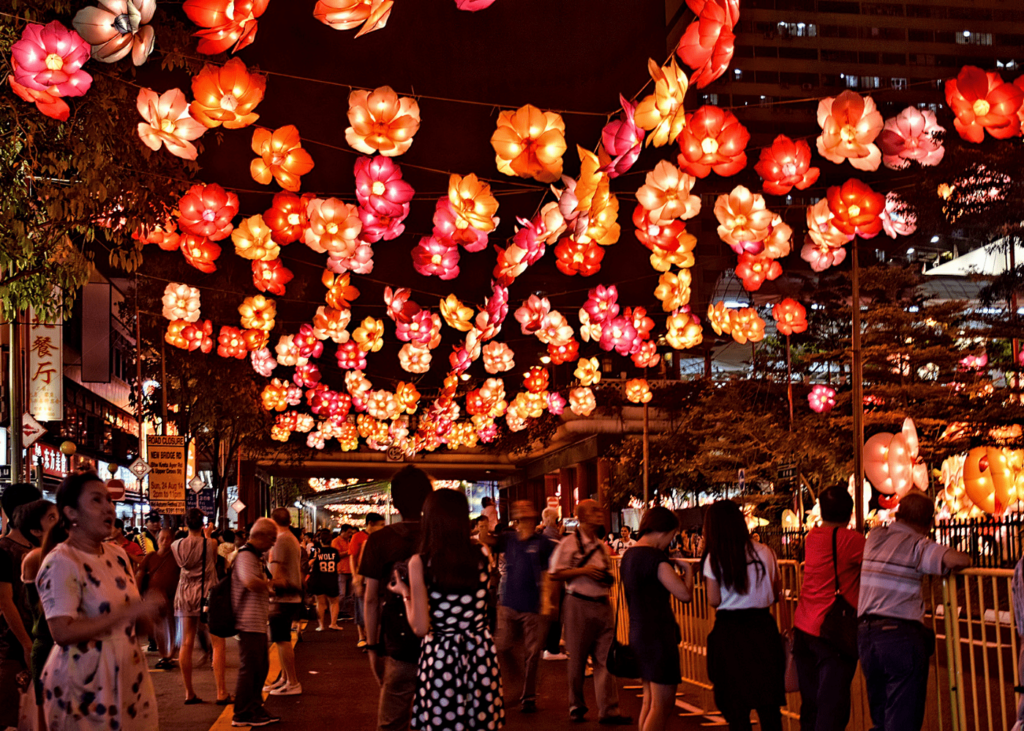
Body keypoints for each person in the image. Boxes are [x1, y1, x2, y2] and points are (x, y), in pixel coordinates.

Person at [36, 472, 161, 730]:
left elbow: (135, 625)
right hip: (84, 689)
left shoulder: (118, 555)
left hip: (127, 679)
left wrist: (149, 613)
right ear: (71, 513)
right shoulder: (61, 561)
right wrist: (125, 612)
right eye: (96, 500)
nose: (108, 508)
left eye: (109, 500)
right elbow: (62, 631)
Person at [857, 492, 971, 731]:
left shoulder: (875, 537)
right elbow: (957, 559)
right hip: (900, 635)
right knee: (902, 718)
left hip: (867, 635)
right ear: (929, 523)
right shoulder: (918, 546)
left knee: (882, 715)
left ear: (897, 515)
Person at [393, 488, 504, 731]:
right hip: (480, 651)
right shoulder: (483, 553)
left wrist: (405, 594)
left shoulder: (420, 562)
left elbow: (421, 627)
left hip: (442, 655)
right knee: (480, 721)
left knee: (443, 721)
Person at [359, 465, 433, 731]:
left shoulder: (379, 540)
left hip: (398, 646)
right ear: (429, 498)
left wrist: (372, 646)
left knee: (391, 724)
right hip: (441, 647)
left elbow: (370, 599)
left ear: (394, 502)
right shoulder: (443, 537)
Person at [703, 500, 785, 731]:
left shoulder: (715, 557)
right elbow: (775, 592)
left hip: (730, 633)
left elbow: (713, 600)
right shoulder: (765, 552)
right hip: (763, 629)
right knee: (768, 706)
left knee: (736, 707)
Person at [549, 499, 631, 725]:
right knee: (576, 658)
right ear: (582, 517)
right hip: (578, 604)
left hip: (602, 603)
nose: (599, 514)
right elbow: (554, 572)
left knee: (606, 659)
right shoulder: (568, 543)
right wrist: (583, 570)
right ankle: (576, 705)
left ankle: (609, 710)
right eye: (594, 511)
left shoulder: (601, 545)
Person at [792, 485, 866, 731]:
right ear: (850, 511)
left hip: (804, 625)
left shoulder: (812, 537)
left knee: (811, 704)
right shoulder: (851, 541)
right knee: (832, 707)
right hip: (832, 631)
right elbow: (880, 559)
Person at [621, 506, 694, 731]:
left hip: (638, 632)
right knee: (662, 705)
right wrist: (689, 573)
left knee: (649, 701)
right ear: (664, 532)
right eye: (672, 536)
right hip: (658, 637)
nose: (670, 542)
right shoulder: (655, 558)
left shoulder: (629, 555)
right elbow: (684, 594)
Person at [492, 500, 554, 713]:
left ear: (533, 514)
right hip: (508, 602)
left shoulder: (543, 542)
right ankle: (514, 684)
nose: (521, 509)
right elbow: (487, 544)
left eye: (526, 507)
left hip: (532, 605)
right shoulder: (509, 539)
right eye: (518, 507)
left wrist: (546, 602)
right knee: (503, 646)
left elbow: (547, 574)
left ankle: (528, 696)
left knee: (532, 652)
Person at [172, 508, 230, 705]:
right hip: (207, 595)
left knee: (186, 641)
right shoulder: (211, 543)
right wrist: (208, 536)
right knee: (217, 642)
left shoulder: (176, 545)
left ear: (186, 523)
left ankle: (189, 692)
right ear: (202, 523)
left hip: (185, 593)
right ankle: (221, 691)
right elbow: (213, 561)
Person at [0, 482, 43, 731]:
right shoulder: (4, 551)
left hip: (40, 644)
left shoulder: (39, 551)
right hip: (12, 650)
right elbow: (6, 603)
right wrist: (27, 645)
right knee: (11, 720)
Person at [231, 518, 280, 728]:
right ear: (260, 535)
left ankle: (254, 706)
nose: (273, 543)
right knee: (250, 668)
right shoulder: (245, 556)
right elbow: (249, 581)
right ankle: (241, 713)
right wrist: (269, 586)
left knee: (260, 667)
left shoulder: (255, 556)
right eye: (272, 539)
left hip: (257, 621)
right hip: (247, 620)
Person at [19, 500, 59, 730]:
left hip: (78, 647)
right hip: (48, 645)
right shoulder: (36, 558)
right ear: (35, 531)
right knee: (47, 716)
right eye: (52, 519)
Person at [265, 508, 303, 696]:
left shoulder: (281, 540)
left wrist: (270, 588)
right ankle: (285, 678)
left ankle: (293, 682)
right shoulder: (291, 538)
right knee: (281, 639)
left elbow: (276, 569)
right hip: (289, 595)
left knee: (282, 640)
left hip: (283, 596)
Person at [137, 529, 180, 671]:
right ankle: (164, 655)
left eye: (168, 538)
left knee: (172, 627)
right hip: (154, 598)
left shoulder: (176, 557)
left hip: (172, 598)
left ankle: (169, 654)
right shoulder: (150, 557)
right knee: (158, 629)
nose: (164, 541)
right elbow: (140, 573)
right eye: (162, 538)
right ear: (157, 540)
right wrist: (138, 594)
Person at [350, 512, 386, 648]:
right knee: (361, 607)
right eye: (381, 525)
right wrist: (355, 577)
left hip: (377, 577)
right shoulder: (358, 537)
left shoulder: (381, 538)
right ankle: (362, 636)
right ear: (370, 523)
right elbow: (352, 557)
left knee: (376, 608)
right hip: (362, 577)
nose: (383, 527)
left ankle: (374, 639)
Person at [308, 530, 342, 631]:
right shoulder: (334, 551)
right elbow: (337, 564)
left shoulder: (315, 550)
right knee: (334, 602)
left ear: (320, 540)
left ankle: (321, 625)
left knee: (320, 603)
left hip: (318, 579)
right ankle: (333, 623)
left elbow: (310, 563)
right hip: (331, 578)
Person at [332, 524, 356, 619]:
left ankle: (346, 612)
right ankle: (338, 612)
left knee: (350, 595)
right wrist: (349, 551)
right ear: (343, 531)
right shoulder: (336, 541)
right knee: (341, 594)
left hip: (350, 570)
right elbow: (336, 554)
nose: (350, 534)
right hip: (341, 570)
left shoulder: (349, 541)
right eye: (349, 532)